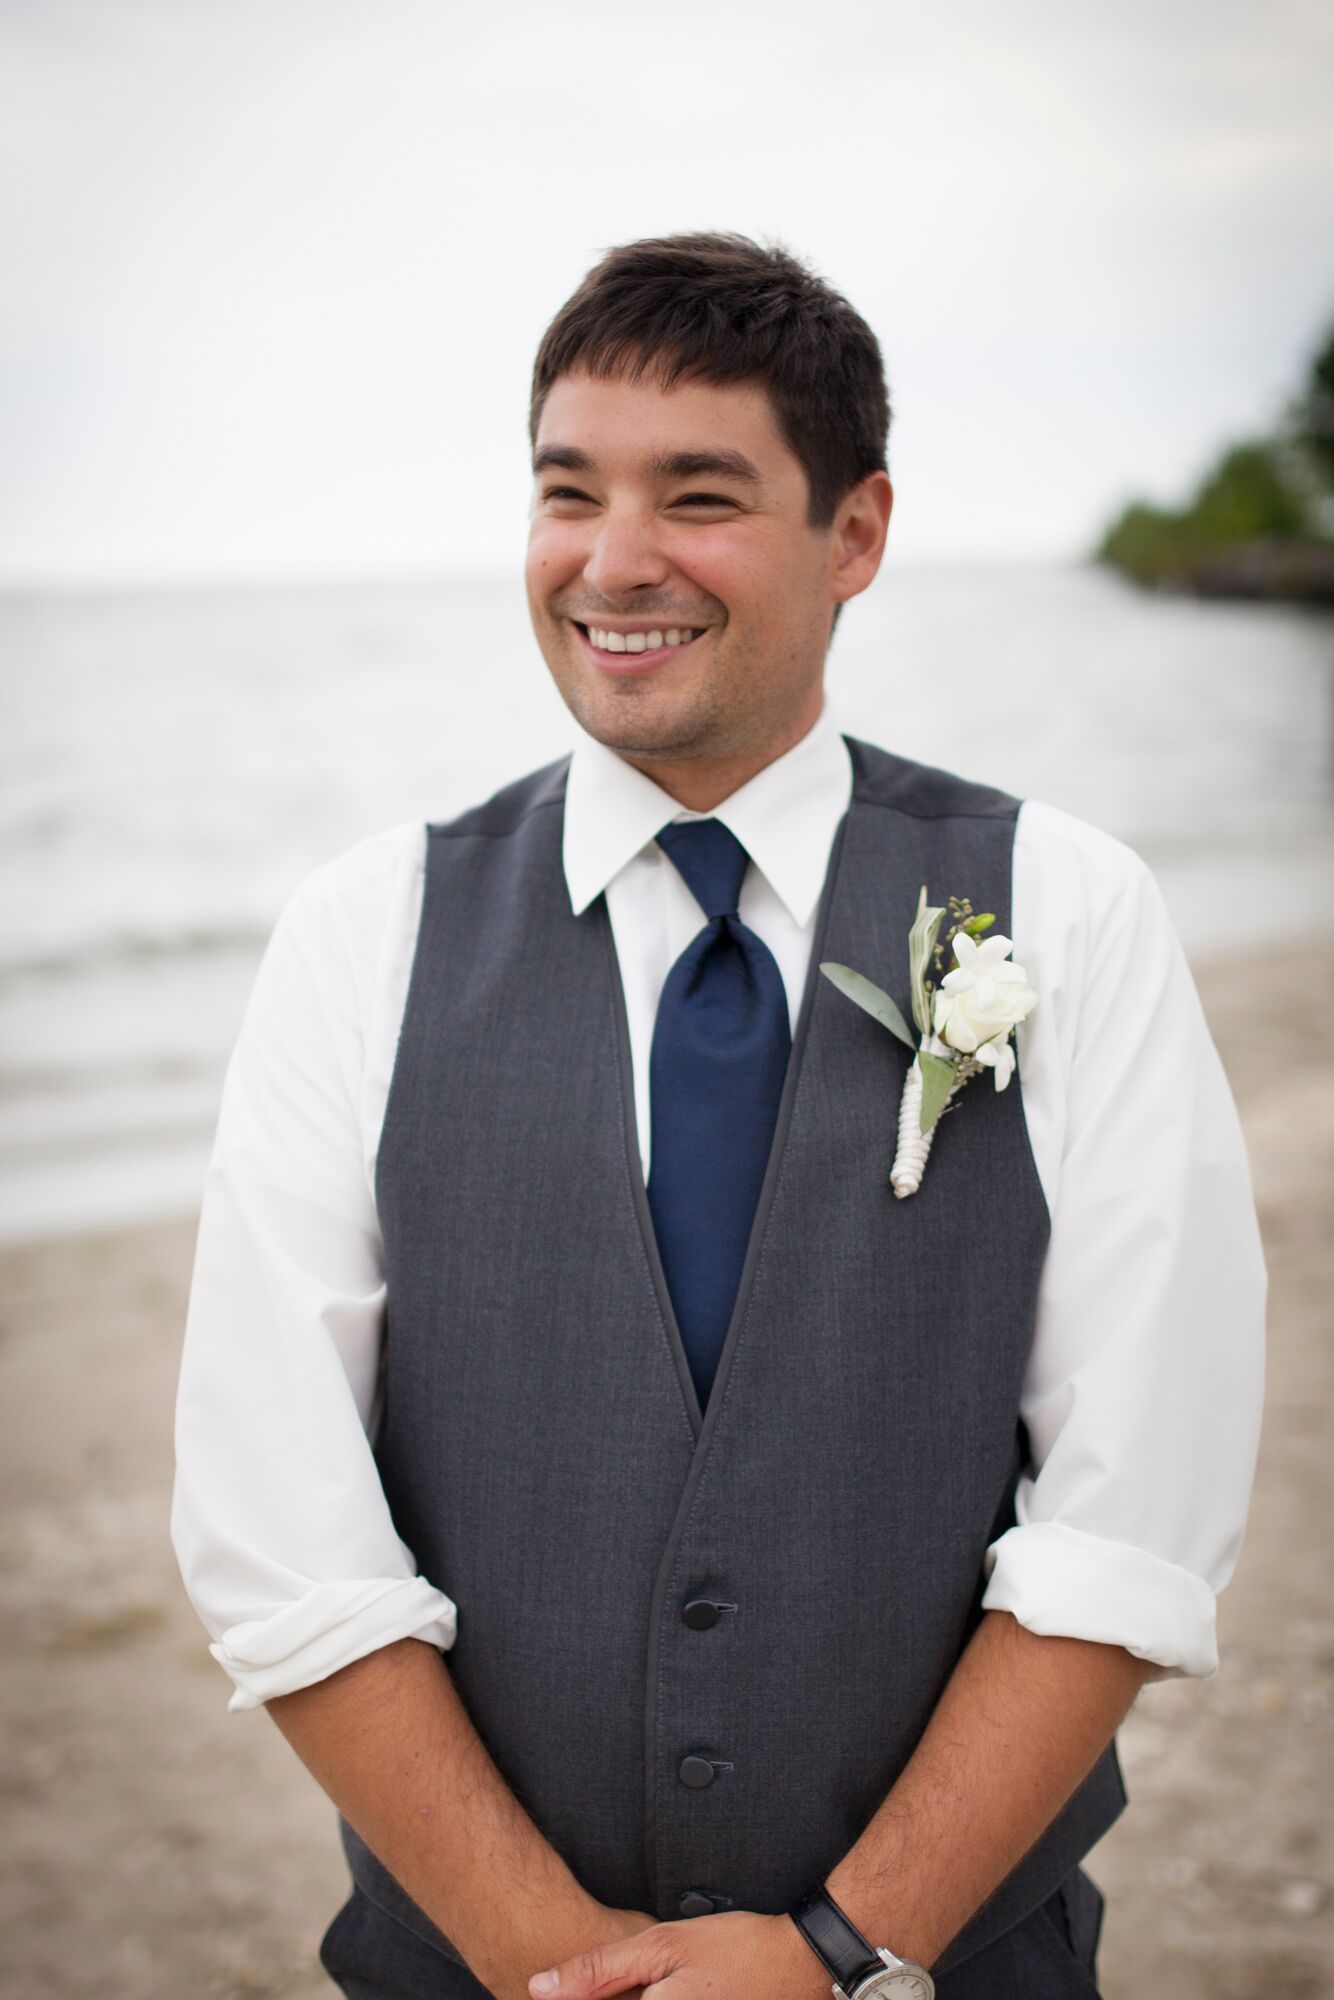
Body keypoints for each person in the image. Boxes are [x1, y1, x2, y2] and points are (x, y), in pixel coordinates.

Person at [171, 232, 1266, 2000]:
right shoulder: (360, 932)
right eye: (565, 492)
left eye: (698, 495)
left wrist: (845, 1955)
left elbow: (1132, 1514)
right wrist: (556, 1965)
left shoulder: (1069, 909)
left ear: (853, 535)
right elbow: (274, 1525)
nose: (614, 563)